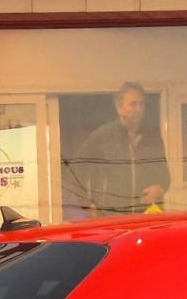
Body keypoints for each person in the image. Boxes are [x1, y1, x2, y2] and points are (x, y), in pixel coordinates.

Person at [73, 82, 170, 216]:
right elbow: (75, 170)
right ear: (120, 108)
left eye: (142, 104)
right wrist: (87, 204)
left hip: (146, 216)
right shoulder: (103, 136)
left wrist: (160, 188)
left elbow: (164, 174)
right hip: (112, 217)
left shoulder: (152, 137)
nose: (139, 108)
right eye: (133, 104)